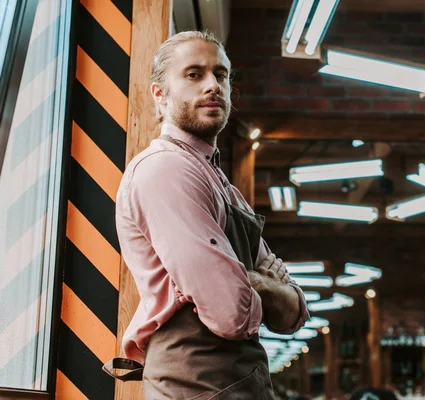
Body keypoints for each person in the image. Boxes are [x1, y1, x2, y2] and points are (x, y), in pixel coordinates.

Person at [102, 30, 310, 399]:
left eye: (221, 74)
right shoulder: (165, 170)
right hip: (192, 387)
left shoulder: (221, 184)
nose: (213, 85)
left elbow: (293, 313)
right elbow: (230, 313)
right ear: (160, 96)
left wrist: (248, 281)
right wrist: (261, 281)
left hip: (240, 384)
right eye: (194, 74)